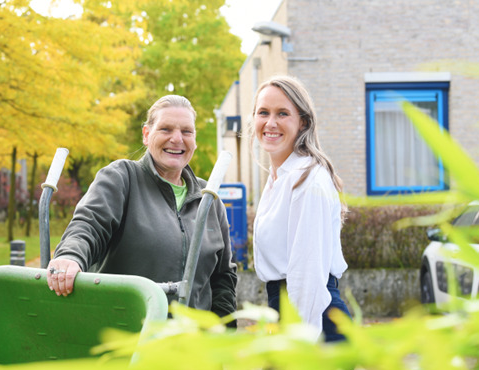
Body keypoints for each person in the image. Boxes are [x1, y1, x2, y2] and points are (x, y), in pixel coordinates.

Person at [46, 95, 237, 322]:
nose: (177, 139)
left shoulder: (209, 199)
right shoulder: (122, 178)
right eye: (165, 129)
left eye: (187, 131)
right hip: (127, 339)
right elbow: (89, 225)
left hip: (191, 348)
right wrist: (70, 256)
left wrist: (223, 333)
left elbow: (223, 277)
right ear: (146, 134)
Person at [251, 75, 351, 342]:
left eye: (282, 113)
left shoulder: (307, 178)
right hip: (287, 314)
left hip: (314, 324)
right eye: (263, 112)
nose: (270, 122)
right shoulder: (279, 178)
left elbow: (307, 274)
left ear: (303, 122)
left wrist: (300, 346)